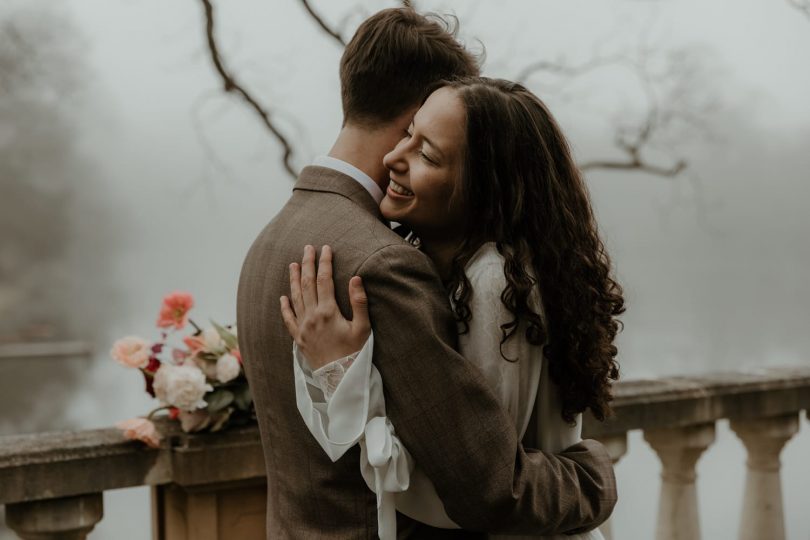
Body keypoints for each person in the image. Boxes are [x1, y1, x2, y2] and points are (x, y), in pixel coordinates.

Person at [237, 8, 617, 539]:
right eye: (414, 133)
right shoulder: (383, 262)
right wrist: (594, 475)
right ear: (420, 109)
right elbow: (490, 485)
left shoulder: (272, 239)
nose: (403, 154)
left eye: (429, 147)